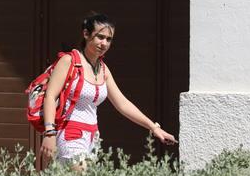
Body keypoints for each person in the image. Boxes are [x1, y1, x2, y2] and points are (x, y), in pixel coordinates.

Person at [40, 12, 177, 166]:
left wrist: (153, 127)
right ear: (86, 34)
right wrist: (49, 133)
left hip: (93, 137)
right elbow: (50, 96)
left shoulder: (103, 70)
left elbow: (122, 104)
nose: (104, 43)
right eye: (100, 37)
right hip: (70, 133)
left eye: (109, 39)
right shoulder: (69, 61)